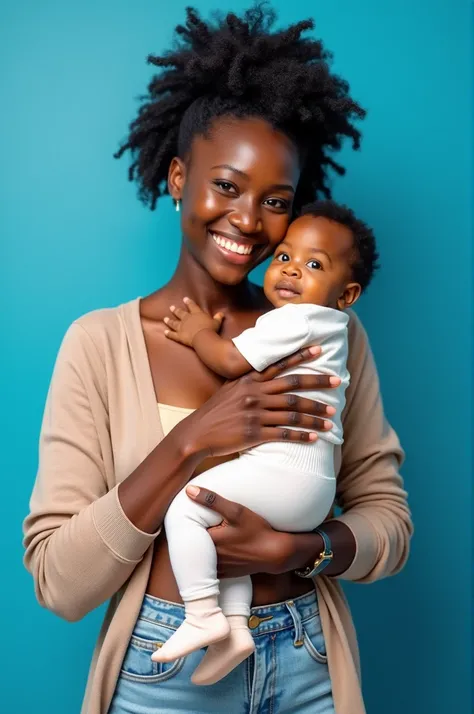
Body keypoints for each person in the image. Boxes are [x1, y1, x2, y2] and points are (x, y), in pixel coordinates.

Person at [22, 6, 412, 714]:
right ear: (177, 177)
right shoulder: (100, 345)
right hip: (165, 672)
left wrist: (301, 550)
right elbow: (59, 581)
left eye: (275, 201)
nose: (246, 219)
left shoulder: (328, 334)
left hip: (305, 659)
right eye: (224, 186)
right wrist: (191, 441)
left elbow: (389, 522)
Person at [153, 200, 378, 687]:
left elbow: (231, 362)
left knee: (186, 509)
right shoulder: (336, 328)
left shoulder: (295, 320)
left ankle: (201, 614)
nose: (292, 270)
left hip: (285, 474)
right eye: (284, 257)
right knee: (223, 532)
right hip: (311, 490)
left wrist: (196, 333)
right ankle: (234, 629)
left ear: (347, 293)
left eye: (314, 265)